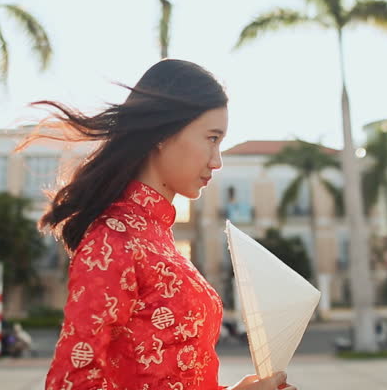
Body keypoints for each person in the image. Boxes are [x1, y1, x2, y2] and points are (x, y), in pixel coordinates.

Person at [19, 60, 294, 390]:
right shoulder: (111, 241)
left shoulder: (157, 237)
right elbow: (70, 384)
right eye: (211, 138)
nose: (217, 161)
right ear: (164, 134)